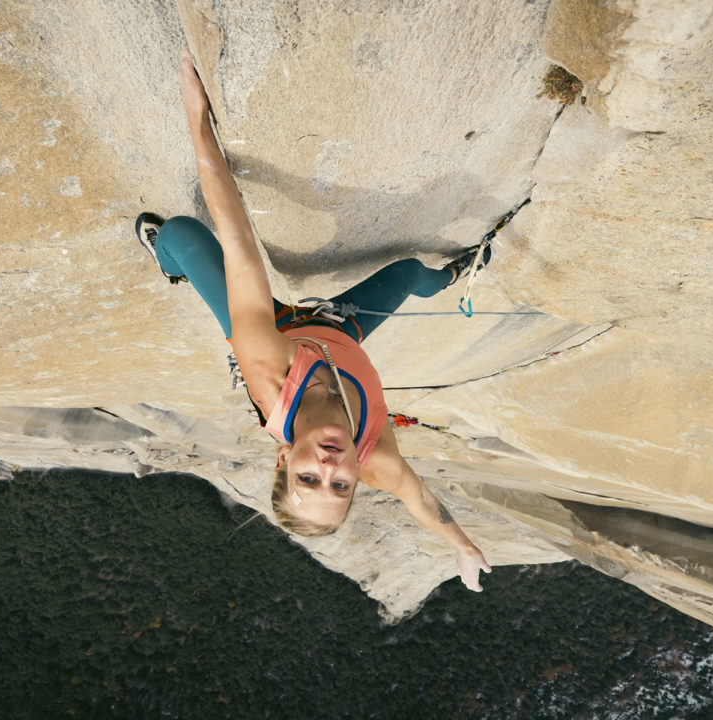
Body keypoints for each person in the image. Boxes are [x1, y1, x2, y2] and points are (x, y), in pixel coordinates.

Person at [136, 47, 492, 591]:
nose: (330, 468)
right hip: (339, 329)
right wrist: (462, 545)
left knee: (183, 234)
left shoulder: (267, 371)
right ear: (357, 482)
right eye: (340, 488)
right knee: (413, 271)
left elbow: (238, 240)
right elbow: (420, 500)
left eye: (308, 478)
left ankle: (166, 259)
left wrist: (198, 120)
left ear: (283, 458)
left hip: (280, 328)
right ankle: (451, 278)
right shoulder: (374, 456)